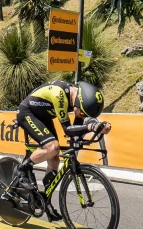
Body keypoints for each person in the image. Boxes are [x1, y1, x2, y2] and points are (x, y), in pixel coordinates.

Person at [14, 80, 111, 221]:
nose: (82, 116)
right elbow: (68, 130)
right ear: (79, 102)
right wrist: (90, 128)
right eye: (83, 113)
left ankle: (45, 201)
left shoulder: (77, 99)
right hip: (27, 113)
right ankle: (21, 169)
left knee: (54, 159)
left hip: (43, 116)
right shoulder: (59, 94)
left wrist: (98, 125)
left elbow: (77, 128)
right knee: (52, 147)